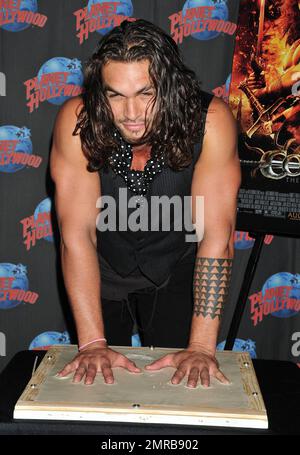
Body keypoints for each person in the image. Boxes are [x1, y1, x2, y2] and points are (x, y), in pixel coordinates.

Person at [50, 19, 241, 389]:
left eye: (146, 93)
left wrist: (202, 345)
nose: (131, 113)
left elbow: (217, 234)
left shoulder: (209, 121)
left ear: (169, 86)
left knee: (183, 385)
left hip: (174, 266)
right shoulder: (79, 121)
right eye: (115, 95)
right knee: (95, 382)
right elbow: (77, 234)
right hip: (101, 267)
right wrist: (91, 343)